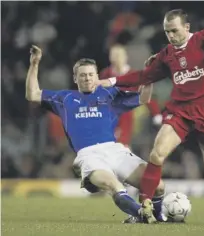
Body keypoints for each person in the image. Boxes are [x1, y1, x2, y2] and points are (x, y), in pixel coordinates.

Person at [98, 9, 204, 223]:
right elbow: (144, 76)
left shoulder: (202, 39)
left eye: (174, 30)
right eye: (167, 32)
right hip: (180, 110)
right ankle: (144, 205)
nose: (171, 36)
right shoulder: (167, 55)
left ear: (187, 27)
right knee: (157, 154)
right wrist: (112, 81)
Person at [25, 45, 165, 224]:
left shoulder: (109, 94)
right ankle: (141, 214)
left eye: (91, 74)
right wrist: (35, 64)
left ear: (98, 76)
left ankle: (159, 218)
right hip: (89, 156)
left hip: (115, 151)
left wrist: (149, 75)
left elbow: (144, 98)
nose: (87, 78)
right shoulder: (65, 98)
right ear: (75, 78)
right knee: (115, 186)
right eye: (82, 75)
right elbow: (32, 94)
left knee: (158, 186)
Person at [100, 44, 162, 147]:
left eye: (119, 56)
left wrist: (156, 114)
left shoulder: (133, 75)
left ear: (125, 58)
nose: (117, 59)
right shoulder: (105, 75)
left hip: (125, 114)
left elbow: (146, 95)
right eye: (114, 56)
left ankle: (124, 147)